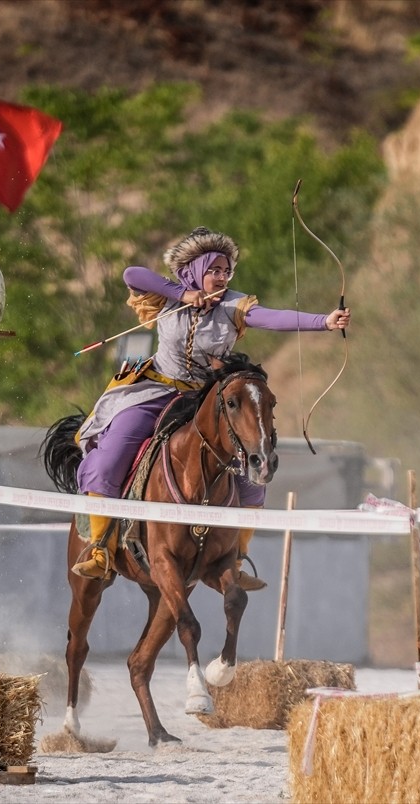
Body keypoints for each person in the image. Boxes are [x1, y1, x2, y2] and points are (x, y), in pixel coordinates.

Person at [71, 226, 350, 585]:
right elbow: (131, 274)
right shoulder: (169, 295)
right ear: (194, 269)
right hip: (154, 390)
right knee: (110, 455)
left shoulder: (235, 305)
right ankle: (101, 549)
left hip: (204, 398)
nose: (220, 277)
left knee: (252, 471)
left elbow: (273, 318)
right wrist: (184, 294)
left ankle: (235, 560)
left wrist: (323, 322)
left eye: (226, 271)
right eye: (213, 270)